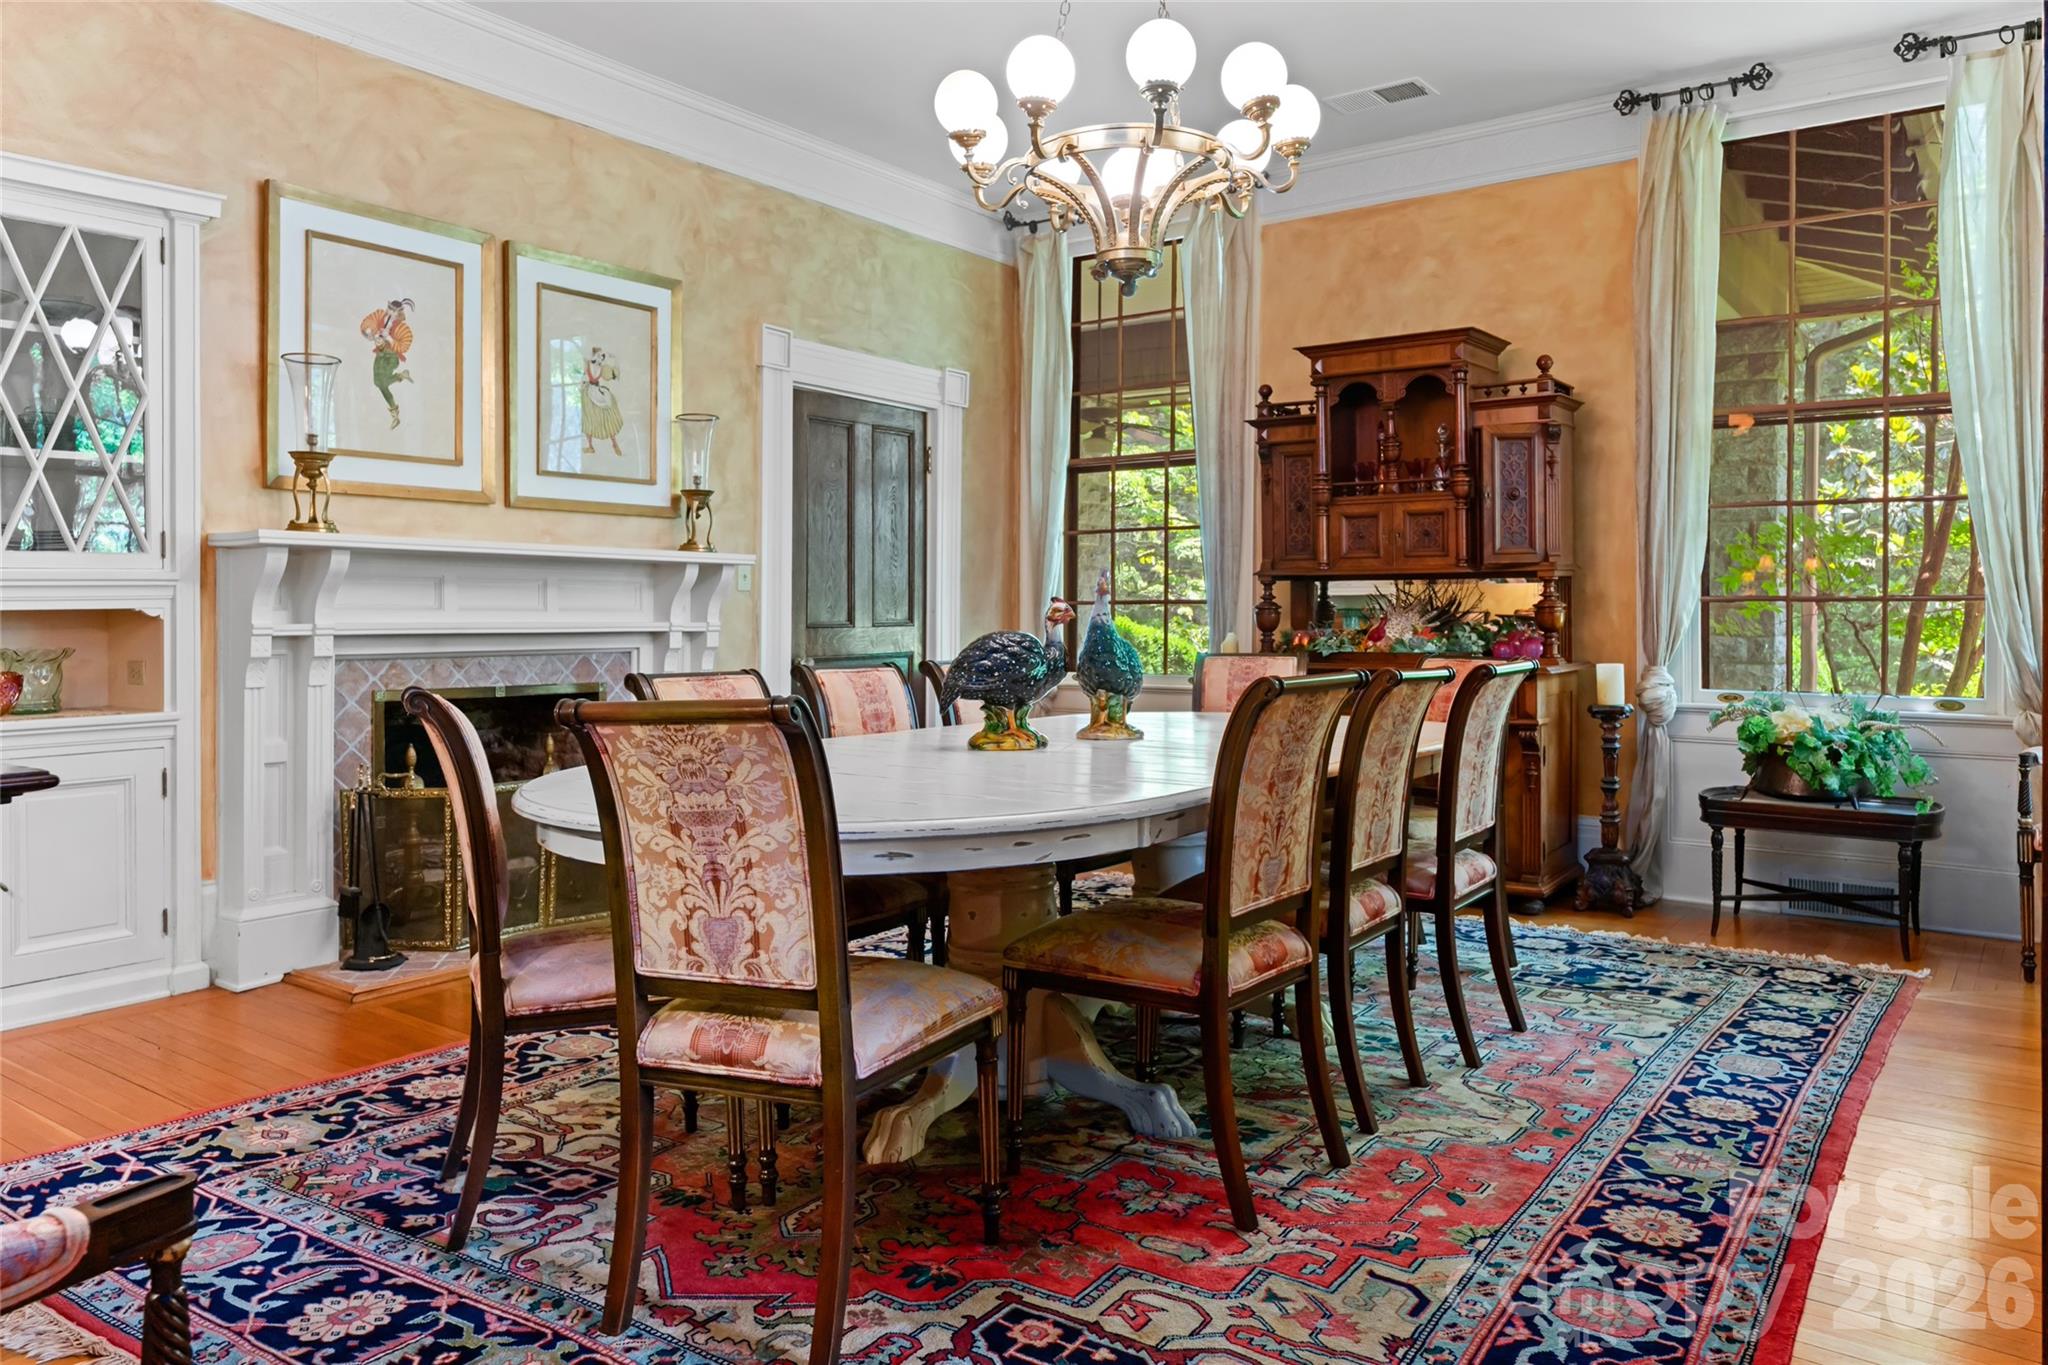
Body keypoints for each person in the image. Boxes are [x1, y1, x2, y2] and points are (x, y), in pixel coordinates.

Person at [359, 298, 415, 429]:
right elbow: (368, 321)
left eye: (394, 312)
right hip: (380, 354)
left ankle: (395, 413)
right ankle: (401, 377)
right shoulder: (380, 315)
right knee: (378, 382)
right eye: (389, 309)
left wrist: (389, 338)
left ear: (399, 313)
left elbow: (404, 346)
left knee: (382, 383)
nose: (390, 313)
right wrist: (371, 332)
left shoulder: (403, 327)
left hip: (391, 357)